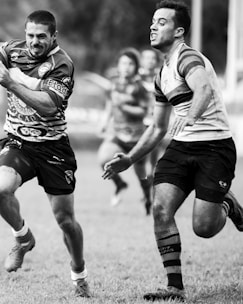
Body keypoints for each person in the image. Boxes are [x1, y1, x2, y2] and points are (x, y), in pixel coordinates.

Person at [103, 0, 243, 301]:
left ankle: (227, 205)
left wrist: (190, 117)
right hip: (181, 148)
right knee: (160, 209)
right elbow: (156, 127)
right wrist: (129, 159)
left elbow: (203, 89)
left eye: (161, 22)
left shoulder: (187, 57)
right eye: (153, 21)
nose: (153, 26)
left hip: (214, 146)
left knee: (204, 227)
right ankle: (174, 287)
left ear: (179, 30)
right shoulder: (161, 75)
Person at [0, 10, 91, 297]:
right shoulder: (15, 49)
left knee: (66, 221)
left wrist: (11, 82)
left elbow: (48, 105)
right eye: (30, 35)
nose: (34, 42)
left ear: (53, 36)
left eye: (41, 37)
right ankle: (22, 239)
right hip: (18, 141)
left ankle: (79, 271)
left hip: (53, 148)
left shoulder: (62, 64)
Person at [97, 48, 152, 214]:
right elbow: (109, 105)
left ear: (135, 67)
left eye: (130, 63)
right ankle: (120, 184)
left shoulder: (140, 88)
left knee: (141, 175)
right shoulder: (113, 84)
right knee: (104, 159)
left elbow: (143, 112)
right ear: (118, 65)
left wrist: (124, 105)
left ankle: (147, 197)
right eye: (123, 63)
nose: (126, 67)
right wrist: (104, 122)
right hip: (117, 134)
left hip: (137, 137)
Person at [139, 48, 168, 173]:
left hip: (156, 120)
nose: (150, 61)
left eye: (152, 58)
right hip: (139, 121)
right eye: (147, 58)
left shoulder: (162, 76)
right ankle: (144, 180)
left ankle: (151, 175)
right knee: (139, 155)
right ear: (141, 60)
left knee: (154, 152)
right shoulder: (135, 77)